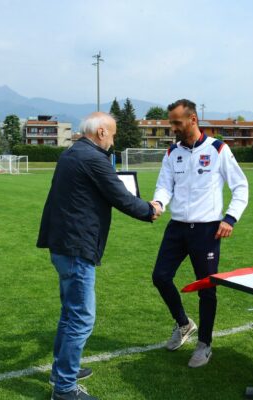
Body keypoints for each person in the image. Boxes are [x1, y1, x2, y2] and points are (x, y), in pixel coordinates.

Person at [37, 112, 162, 400]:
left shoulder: (71, 153)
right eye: (114, 134)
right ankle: (65, 389)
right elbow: (120, 196)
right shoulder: (93, 158)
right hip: (76, 247)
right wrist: (150, 210)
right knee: (81, 317)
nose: (114, 140)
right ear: (102, 132)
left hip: (64, 244)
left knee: (70, 313)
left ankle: (61, 372)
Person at [152, 99, 249, 368]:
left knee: (206, 288)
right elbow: (164, 186)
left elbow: (240, 186)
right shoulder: (172, 153)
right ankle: (184, 324)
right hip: (177, 227)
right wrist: (159, 203)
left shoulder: (218, 149)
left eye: (176, 123)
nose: (173, 128)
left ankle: (204, 344)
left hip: (207, 230)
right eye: (171, 122)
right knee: (160, 277)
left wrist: (230, 218)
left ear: (192, 119)